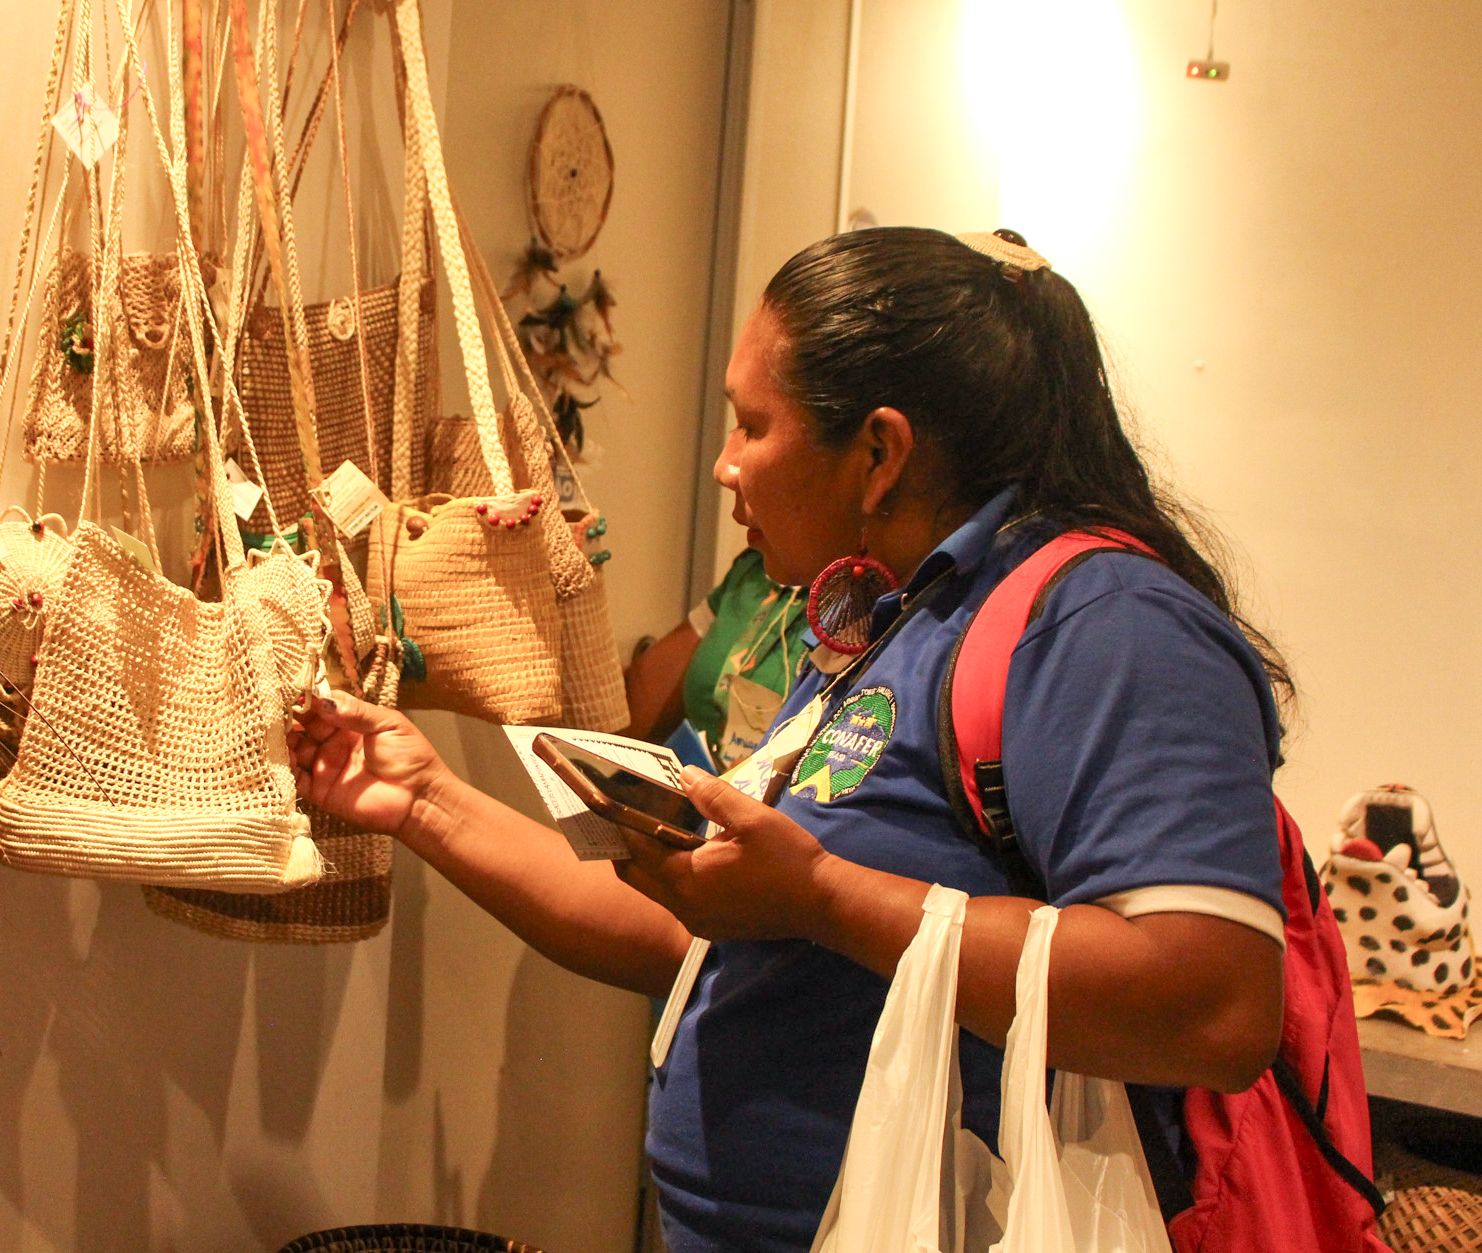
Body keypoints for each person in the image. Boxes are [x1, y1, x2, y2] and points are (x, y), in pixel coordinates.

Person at [292, 227, 1288, 1251]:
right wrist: (419, 800)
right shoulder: (900, 616)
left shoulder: (1103, 625)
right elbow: (716, 934)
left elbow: (1212, 1006)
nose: (723, 467)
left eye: (749, 427)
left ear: (878, 452)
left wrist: (820, 898)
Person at [623, 537, 808, 767]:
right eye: (738, 498)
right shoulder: (757, 571)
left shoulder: (859, 609)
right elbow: (626, 719)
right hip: (691, 793)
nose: (741, 514)